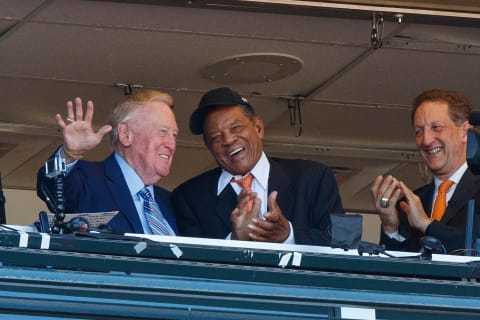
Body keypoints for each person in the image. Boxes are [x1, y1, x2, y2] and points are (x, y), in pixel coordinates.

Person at [172, 87, 344, 245]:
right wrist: (235, 239)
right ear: (209, 147)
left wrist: (289, 234)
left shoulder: (315, 176)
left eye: (236, 128)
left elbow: (348, 240)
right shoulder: (189, 197)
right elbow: (192, 266)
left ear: (259, 128)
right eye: (216, 138)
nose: (228, 140)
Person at [37, 90, 178, 235]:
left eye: (174, 135)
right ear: (125, 134)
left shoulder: (174, 203)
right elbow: (49, 186)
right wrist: (69, 154)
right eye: (163, 132)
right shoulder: (88, 181)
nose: (171, 144)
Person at [371, 89, 480, 253]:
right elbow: (396, 273)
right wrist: (391, 228)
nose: (426, 140)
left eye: (436, 127)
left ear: (464, 131)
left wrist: (427, 225)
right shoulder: (409, 204)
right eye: (419, 131)